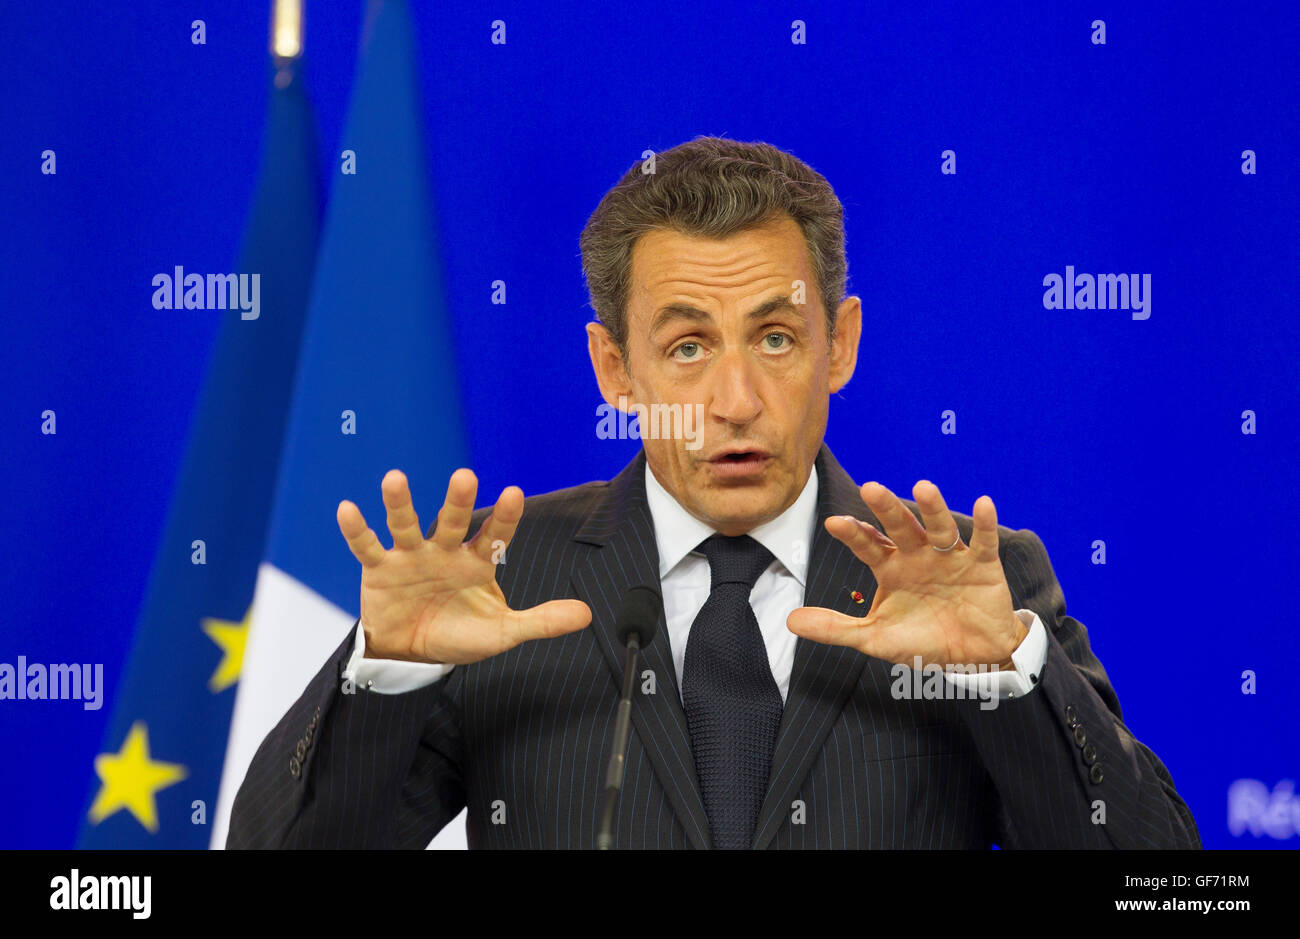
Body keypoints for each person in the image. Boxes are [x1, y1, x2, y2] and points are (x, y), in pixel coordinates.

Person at [228, 136, 1199, 849]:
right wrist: (388, 674)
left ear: (841, 345)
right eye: (687, 346)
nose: (735, 402)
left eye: (776, 338)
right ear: (614, 369)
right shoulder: (502, 582)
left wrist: (1008, 678)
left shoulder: (970, 583)